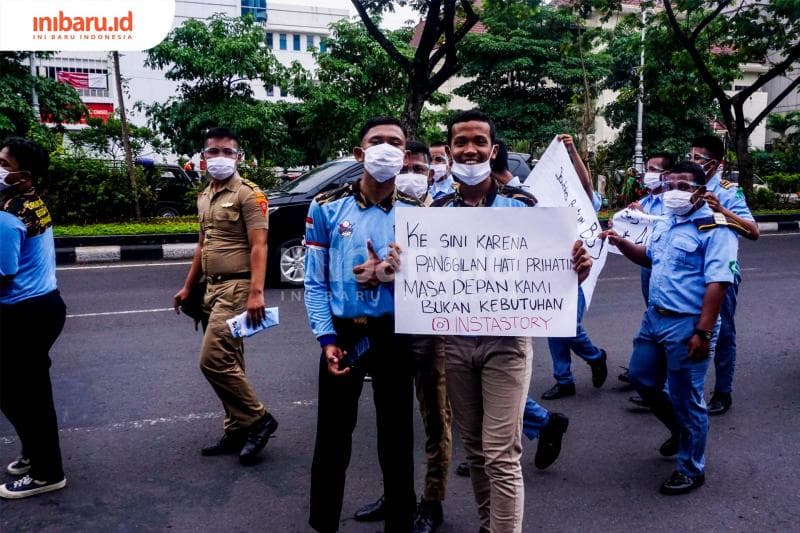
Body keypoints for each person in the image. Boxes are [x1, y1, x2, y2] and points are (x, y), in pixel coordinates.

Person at [433, 110, 592, 532]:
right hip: (455, 344)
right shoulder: (433, 211)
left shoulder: (522, 206)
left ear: (493, 149)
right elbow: (420, 274)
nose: (470, 149)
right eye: (461, 142)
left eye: (479, 142)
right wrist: (395, 266)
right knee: (477, 451)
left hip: (507, 342)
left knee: (502, 452)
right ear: (449, 152)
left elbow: (558, 269)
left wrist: (576, 265)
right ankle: (490, 525)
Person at [304, 117, 418, 533]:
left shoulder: (417, 214)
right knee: (333, 437)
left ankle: (401, 521)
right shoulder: (326, 205)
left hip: (394, 335)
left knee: (397, 438)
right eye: (377, 141)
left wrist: (390, 274)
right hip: (343, 335)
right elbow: (314, 281)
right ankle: (323, 522)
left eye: (394, 143)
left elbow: (429, 283)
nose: (385, 148)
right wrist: (325, 337)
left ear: (405, 157)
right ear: (359, 153)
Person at [601, 162, 739, 495]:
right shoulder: (666, 222)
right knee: (641, 378)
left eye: (683, 185)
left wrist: (703, 333)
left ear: (701, 192)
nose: (673, 191)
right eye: (670, 184)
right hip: (655, 319)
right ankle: (679, 430)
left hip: (688, 323)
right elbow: (651, 259)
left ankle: (691, 468)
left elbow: (718, 285)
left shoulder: (715, 229)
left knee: (686, 397)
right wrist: (621, 243)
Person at [354, 139, 452, 533]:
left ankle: (432, 500)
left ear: (431, 172)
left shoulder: (447, 216)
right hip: (388, 330)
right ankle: (397, 495)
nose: (409, 175)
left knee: (435, 418)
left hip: (428, 333)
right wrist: (370, 275)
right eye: (403, 168)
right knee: (391, 422)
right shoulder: (379, 212)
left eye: (417, 168)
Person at [173, 127, 278, 465]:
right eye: (212, 152)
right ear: (202, 157)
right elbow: (203, 245)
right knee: (230, 359)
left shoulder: (250, 194)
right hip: (212, 287)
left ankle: (259, 420)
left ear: (238, 157)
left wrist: (256, 293)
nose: (218, 157)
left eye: (226, 152)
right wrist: (189, 286)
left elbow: (260, 245)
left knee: (213, 360)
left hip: (238, 286)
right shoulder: (204, 195)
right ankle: (237, 429)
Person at [0, 137, 68, 499]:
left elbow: (3, 274)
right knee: (18, 391)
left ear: (23, 176)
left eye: (4, 164)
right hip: (44, 306)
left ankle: (47, 472)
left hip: (23, 313)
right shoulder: (31, 202)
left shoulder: (8, 217)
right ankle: (34, 452)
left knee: (27, 396)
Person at [688, 135, 759, 416]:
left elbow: (753, 231)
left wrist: (721, 210)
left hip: (720, 272)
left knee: (723, 331)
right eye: (690, 156)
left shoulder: (729, 191)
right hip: (688, 270)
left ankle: (722, 392)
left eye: (698, 159)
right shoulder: (685, 185)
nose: (691, 162)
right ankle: (673, 389)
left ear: (714, 164)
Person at [541, 134, 608, 400]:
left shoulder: (584, 203)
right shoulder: (543, 204)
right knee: (552, 326)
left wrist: (571, 152)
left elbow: (586, 183)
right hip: (548, 272)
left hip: (578, 271)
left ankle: (595, 356)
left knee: (567, 324)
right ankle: (564, 380)